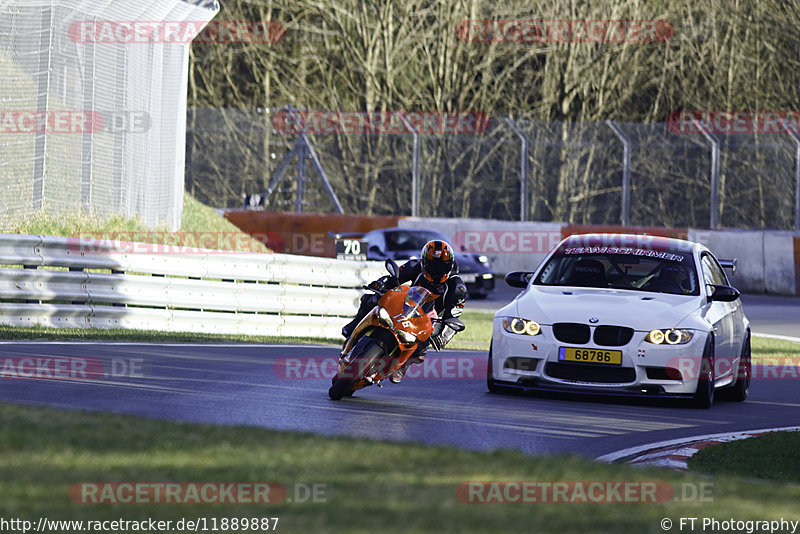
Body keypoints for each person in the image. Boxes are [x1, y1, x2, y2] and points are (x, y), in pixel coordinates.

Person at [340, 240, 467, 383]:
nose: (436, 271)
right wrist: (381, 284)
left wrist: (443, 336)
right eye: (432, 266)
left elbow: (453, 317)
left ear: (450, 265)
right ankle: (354, 327)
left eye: (441, 267)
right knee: (370, 299)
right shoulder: (415, 266)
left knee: (423, 346)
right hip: (407, 305)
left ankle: (402, 365)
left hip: (431, 319)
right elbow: (394, 278)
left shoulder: (457, 288)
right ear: (424, 262)